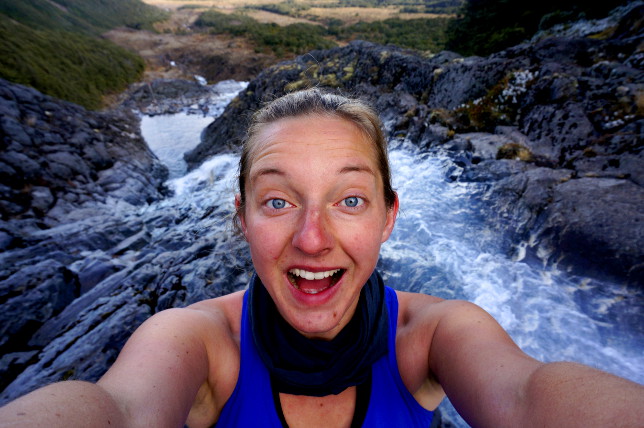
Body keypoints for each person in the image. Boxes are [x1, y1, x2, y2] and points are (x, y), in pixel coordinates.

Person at [0, 88, 642, 428]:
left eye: (351, 199)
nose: (313, 238)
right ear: (241, 216)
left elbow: (529, 397)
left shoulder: (436, 336)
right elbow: (118, 409)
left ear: (390, 216)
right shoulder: (195, 343)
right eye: (278, 202)